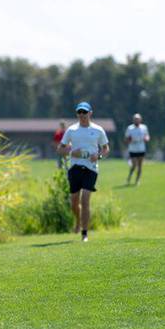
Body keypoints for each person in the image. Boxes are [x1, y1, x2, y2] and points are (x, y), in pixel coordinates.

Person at [57, 101, 110, 242]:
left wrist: (97, 156)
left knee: (85, 199)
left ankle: (84, 233)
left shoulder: (98, 130)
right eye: (79, 112)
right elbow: (60, 149)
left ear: (90, 113)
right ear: (77, 114)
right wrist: (71, 152)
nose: (82, 115)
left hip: (91, 169)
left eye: (84, 112)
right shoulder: (71, 130)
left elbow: (106, 149)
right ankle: (78, 222)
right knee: (74, 203)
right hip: (74, 168)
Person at [124, 113, 149, 186]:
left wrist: (146, 139)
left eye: (138, 119)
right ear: (133, 120)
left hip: (141, 149)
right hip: (133, 149)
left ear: (140, 120)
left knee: (140, 166)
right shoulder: (130, 128)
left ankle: (137, 180)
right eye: (135, 119)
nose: (136, 120)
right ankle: (129, 176)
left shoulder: (144, 127)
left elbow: (147, 136)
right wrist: (130, 140)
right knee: (134, 165)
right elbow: (126, 139)